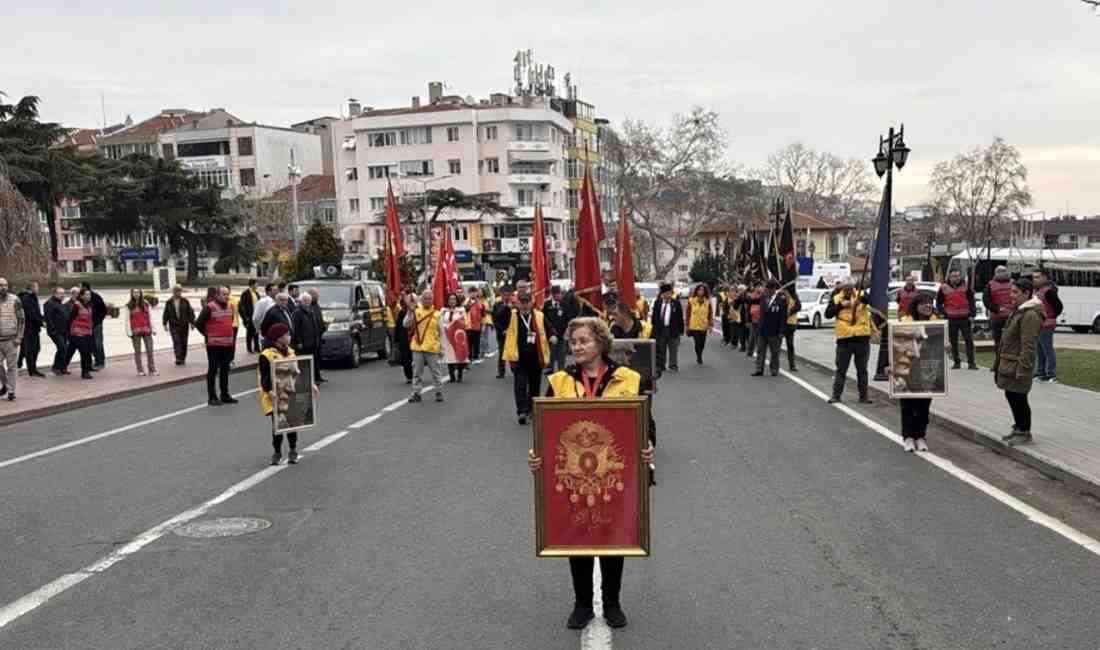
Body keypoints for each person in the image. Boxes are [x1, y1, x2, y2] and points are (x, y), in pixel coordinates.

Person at [528, 317, 654, 630]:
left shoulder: (629, 378)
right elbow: (545, 430)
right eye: (573, 343)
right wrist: (537, 458)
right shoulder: (559, 381)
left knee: (615, 538)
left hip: (616, 474)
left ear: (600, 342)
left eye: (583, 340)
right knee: (577, 537)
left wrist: (648, 448)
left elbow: (646, 424)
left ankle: (612, 603)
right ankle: (582, 604)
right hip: (574, 475)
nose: (577, 347)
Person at [259, 322, 317, 465]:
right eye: (287, 335)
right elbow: (264, 377)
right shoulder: (266, 355)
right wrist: (270, 391)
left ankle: (292, 450)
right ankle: (277, 452)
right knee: (278, 426)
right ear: (279, 338)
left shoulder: (291, 351)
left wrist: (311, 384)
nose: (289, 337)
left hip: (291, 392)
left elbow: (298, 372)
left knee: (292, 423)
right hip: (275, 395)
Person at [996, 278, 1044, 446]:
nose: (1011, 295)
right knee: (1012, 394)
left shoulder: (1030, 314)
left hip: (1018, 363)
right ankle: (1018, 427)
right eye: (1011, 291)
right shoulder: (1020, 311)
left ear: (1027, 293)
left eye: (1015, 292)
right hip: (1010, 362)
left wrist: (1024, 369)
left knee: (1019, 397)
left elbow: (1028, 345)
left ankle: (1024, 431)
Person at [895, 293, 940, 452]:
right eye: (924, 303)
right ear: (916, 306)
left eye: (930, 303)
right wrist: (889, 367)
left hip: (928, 370)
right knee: (908, 404)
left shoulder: (938, 324)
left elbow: (939, 348)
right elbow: (895, 347)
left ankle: (920, 436)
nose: (928, 306)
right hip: (908, 368)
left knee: (923, 406)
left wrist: (946, 347)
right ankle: (908, 437)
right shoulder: (904, 323)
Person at [503, 291, 551, 425]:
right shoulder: (512, 315)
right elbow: (498, 316)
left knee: (535, 385)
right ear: (518, 303)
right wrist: (507, 302)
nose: (524, 305)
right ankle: (522, 411)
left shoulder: (539, 316)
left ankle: (531, 409)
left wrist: (552, 336)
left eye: (527, 302)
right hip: (519, 357)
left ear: (531, 303)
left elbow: (549, 328)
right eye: (522, 302)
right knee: (520, 385)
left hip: (535, 356)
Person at [825, 276, 874, 404]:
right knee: (841, 369)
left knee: (862, 370)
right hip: (844, 339)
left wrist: (860, 299)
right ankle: (836, 395)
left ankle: (864, 396)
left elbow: (872, 301)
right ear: (842, 289)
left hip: (861, 338)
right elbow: (828, 314)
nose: (848, 291)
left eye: (850, 288)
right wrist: (841, 306)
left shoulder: (861, 294)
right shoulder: (836, 299)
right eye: (845, 289)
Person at [195, 286, 239, 406]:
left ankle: (225, 395)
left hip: (228, 344)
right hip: (214, 345)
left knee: (225, 369)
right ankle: (212, 397)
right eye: (224, 294)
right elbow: (198, 323)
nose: (227, 296)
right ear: (217, 295)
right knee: (213, 370)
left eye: (227, 294)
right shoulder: (209, 307)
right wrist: (207, 334)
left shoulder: (231, 306)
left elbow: (229, 322)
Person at [407, 289, 444, 403]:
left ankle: (438, 391)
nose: (427, 300)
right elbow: (406, 324)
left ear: (432, 300)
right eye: (425, 298)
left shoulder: (437, 314)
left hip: (432, 347)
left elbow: (441, 333)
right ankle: (416, 393)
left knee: (435, 372)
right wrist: (410, 311)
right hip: (417, 346)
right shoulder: (416, 311)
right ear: (421, 299)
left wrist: (441, 348)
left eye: (429, 298)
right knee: (417, 372)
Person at [935, 270, 978, 370]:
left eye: (958, 276)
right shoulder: (943, 288)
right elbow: (938, 302)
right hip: (951, 319)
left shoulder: (966, 287)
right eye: (954, 276)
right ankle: (956, 362)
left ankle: (971, 363)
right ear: (949, 277)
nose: (956, 278)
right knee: (953, 341)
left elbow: (972, 300)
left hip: (965, 318)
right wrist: (943, 313)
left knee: (969, 341)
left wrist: (972, 313)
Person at [1032, 269, 1063, 384]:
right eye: (1034, 277)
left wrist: (1050, 317)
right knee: (1039, 350)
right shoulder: (1037, 290)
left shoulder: (1049, 291)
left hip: (1046, 325)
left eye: (1037, 277)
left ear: (1045, 278)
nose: (1035, 279)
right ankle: (1040, 373)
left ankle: (1052, 374)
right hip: (1037, 324)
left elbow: (1059, 306)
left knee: (1047, 349)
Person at [752, 279, 788, 377]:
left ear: (773, 289)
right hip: (763, 329)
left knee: (775, 352)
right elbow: (761, 311)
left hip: (775, 330)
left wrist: (781, 331)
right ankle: (759, 369)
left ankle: (774, 370)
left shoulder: (781, 299)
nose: (766, 290)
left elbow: (783, 316)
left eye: (768, 289)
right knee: (760, 350)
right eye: (766, 288)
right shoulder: (763, 297)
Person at [982, 265, 1014, 372]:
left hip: (998, 317)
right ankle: (1004, 364)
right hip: (1008, 316)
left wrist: (997, 309)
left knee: (999, 342)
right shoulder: (1013, 283)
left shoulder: (990, 285)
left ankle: (999, 364)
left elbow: (986, 301)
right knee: (1008, 342)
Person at [0, 278, 25, 400]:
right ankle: (5, 384)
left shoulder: (15, 300)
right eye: (0, 285)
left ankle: (11, 391)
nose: (3, 287)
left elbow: (21, 319)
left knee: (12, 367)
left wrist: (19, 336)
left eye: (5, 285)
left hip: (11, 340)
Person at [650, 283, 684, 374]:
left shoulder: (676, 303)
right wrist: (653, 329)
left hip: (672, 329)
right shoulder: (658, 302)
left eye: (669, 293)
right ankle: (661, 365)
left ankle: (673, 365)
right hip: (661, 329)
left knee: (673, 348)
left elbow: (680, 317)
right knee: (661, 348)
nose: (668, 295)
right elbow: (654, 317)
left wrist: (681, 331)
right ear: (662, 294)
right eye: (666, 293)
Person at [123, 288, 157, 376]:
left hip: (147, 330)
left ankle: (152, 369)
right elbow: (127, 320)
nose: (136, 294)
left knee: (150, 350)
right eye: (134, 293)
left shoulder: (146, 304)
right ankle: (140, 370)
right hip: (135, 332)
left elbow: (150, 317)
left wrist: (153, 329)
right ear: (132, 294)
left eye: (138, 292)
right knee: (137, 351)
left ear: (140, 293)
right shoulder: (129, 306)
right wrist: (128, 332)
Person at [291, 292, 323, 382]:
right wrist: (298, 341)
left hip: (313, 341)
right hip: (304, 343)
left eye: (308, 301)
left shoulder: (311, 311)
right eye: (305, 301)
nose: (307, 302)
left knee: (313, 362)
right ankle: (306, 381)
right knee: (305, 363)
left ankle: (314, 379)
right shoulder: (297, 313)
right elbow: (296, 329)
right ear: (301, 301)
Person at [66, 286, 96, 380]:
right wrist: (69, 332)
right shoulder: (77, 305)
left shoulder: (90, 305)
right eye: (86, 294)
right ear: (82, 296)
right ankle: (85, 372)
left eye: (89, 294)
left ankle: (62, 365)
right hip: (77, 333)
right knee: (84, 352)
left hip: (87, 332)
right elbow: (70, 318)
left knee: (81, 351)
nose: (89, 296)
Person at [17, 282, 45, 377]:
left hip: (34, 328)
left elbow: (37, 312)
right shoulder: (26, 299)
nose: (38, 288)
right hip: (28, 328)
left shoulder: (33, 297)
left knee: (36, 349)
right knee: (31, 350)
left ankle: (32, 368)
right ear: (32, 288)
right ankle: (32, 370)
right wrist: (42, 323)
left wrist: (43, 319)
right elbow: (31, 314)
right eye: (37, 287)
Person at [163, 285, 195, 365]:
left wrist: (192, 323)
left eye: (180, 291)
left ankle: (183, 358)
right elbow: (166, 313)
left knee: (184, 342)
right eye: (177, 291)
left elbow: (190, 312)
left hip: (184, 325)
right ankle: (178, 358)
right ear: (173, 292)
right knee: (176, 341)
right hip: (174, 325)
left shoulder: (185, 301)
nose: (179, 293)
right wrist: (164, 323)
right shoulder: (169, 302)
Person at [441, 293, 469, 383]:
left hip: (458, 335)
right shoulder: (443, 310)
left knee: (459, 355)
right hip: (447, 335)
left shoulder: (461, 310)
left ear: (457, 300)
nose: (452, 301)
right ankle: (452, 376)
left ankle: (460, 374)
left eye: (453, 299)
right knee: (449, 355)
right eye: (450, 299)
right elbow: (440, 322)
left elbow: (465, 322)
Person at [81, 282, 108, 370]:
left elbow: (103, 310)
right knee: (92, 344)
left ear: (85, 287)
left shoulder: (96, 297)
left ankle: (101, 361)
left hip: (97, 325)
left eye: (80, 286)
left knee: (98, 343)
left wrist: (98, 320)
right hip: (87, 325)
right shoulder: (82, 298)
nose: (79, 288)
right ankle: (97, 361)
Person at [543, 285, 570, 374]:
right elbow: (543, 319)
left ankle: (561, 371)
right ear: (553, 294)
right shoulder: (547, 305)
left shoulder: (565, 304)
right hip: (551, 335)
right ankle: (550, 369)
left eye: (559, 293)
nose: (559, 296)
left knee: (561, 354)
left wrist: (567, 330)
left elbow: (568, 319)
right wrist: (549, 333)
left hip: (562, 334)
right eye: (557, 294)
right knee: (551, 354)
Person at [44, 286, 70, 376]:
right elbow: (48, 319)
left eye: (64, 293)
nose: (63, 295)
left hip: (64, 331)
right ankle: (56, 367)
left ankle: (62, 367)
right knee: (62, 348)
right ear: (55, 294)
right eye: (61, 293)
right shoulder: (49, 303)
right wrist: (53, 330)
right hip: (55, 332)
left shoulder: (61, 303)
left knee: (65, 349)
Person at [492, 285, 515, 379]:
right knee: (502, 352)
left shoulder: (515, 304)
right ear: (501, 295)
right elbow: (496, 318)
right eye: (504, 295)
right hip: (502, 332)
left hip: (513, 332)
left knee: (514, 351)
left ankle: (515, 370)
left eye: (508, 295)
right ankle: (501, 371)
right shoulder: (497, 305)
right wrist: (505, 307)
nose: (506, 297)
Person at [393, 292, 415, 384]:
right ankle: (409, 376)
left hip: (416, 339)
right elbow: (398, 327)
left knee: (416, 359)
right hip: (404, 340)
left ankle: (416, 375)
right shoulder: (402, 312)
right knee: (406, 359)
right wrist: (396, 340)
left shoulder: (417, 311)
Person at [307, 288, 327, 383]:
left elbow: (319, 318)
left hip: (318, 335)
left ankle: (318, 376)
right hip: (311, 337)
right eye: (315, 295)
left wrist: (323, 327)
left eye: (317, 295)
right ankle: (313, 378)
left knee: (318, 357)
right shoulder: (309, 307)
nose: (317, 296)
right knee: (313, 358)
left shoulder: (316, 305)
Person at [782, 287, 801, 372]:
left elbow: (798, 306)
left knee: (790, 345)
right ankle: (774, 364)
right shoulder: (780, 295)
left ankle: (792, 365)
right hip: (781, 324)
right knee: (776, 344)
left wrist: (791, 311)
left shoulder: (794, 295)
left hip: (791, 324)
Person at [239, 279, 261, 353]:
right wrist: (245, 318)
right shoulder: (245, 293)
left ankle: (257, 347)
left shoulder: (256, 293)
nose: (257, 285)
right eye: (256, 284)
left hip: (256, 316)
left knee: (256, 332)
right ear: (252, 284)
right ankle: (249, 349)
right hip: (249, 317)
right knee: (249, 333)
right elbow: (241, 306)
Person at [744, 283, 764, 359]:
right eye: (757, 287)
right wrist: (748, 320)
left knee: (756, 338)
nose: (759, 288)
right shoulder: (751, 297)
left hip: (761, 320)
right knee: (754, 337)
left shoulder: (763, 295)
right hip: (754, 320)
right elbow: (748, 308)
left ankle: (753, 353)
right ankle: (751, 352)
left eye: (760, 286)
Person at [464, 287, 484, 362]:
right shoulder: (466, 301)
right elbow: (465, 308)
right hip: (468, 325)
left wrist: (476, 300)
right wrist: (470, 302)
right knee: (469, 342)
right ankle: (469, 356)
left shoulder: (479, 301)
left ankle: (476, 356)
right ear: (469, 293)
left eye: (474, 292)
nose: (473, 294)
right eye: (471, 292)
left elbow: (481, 310)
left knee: (476, 341)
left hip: (477, 324)